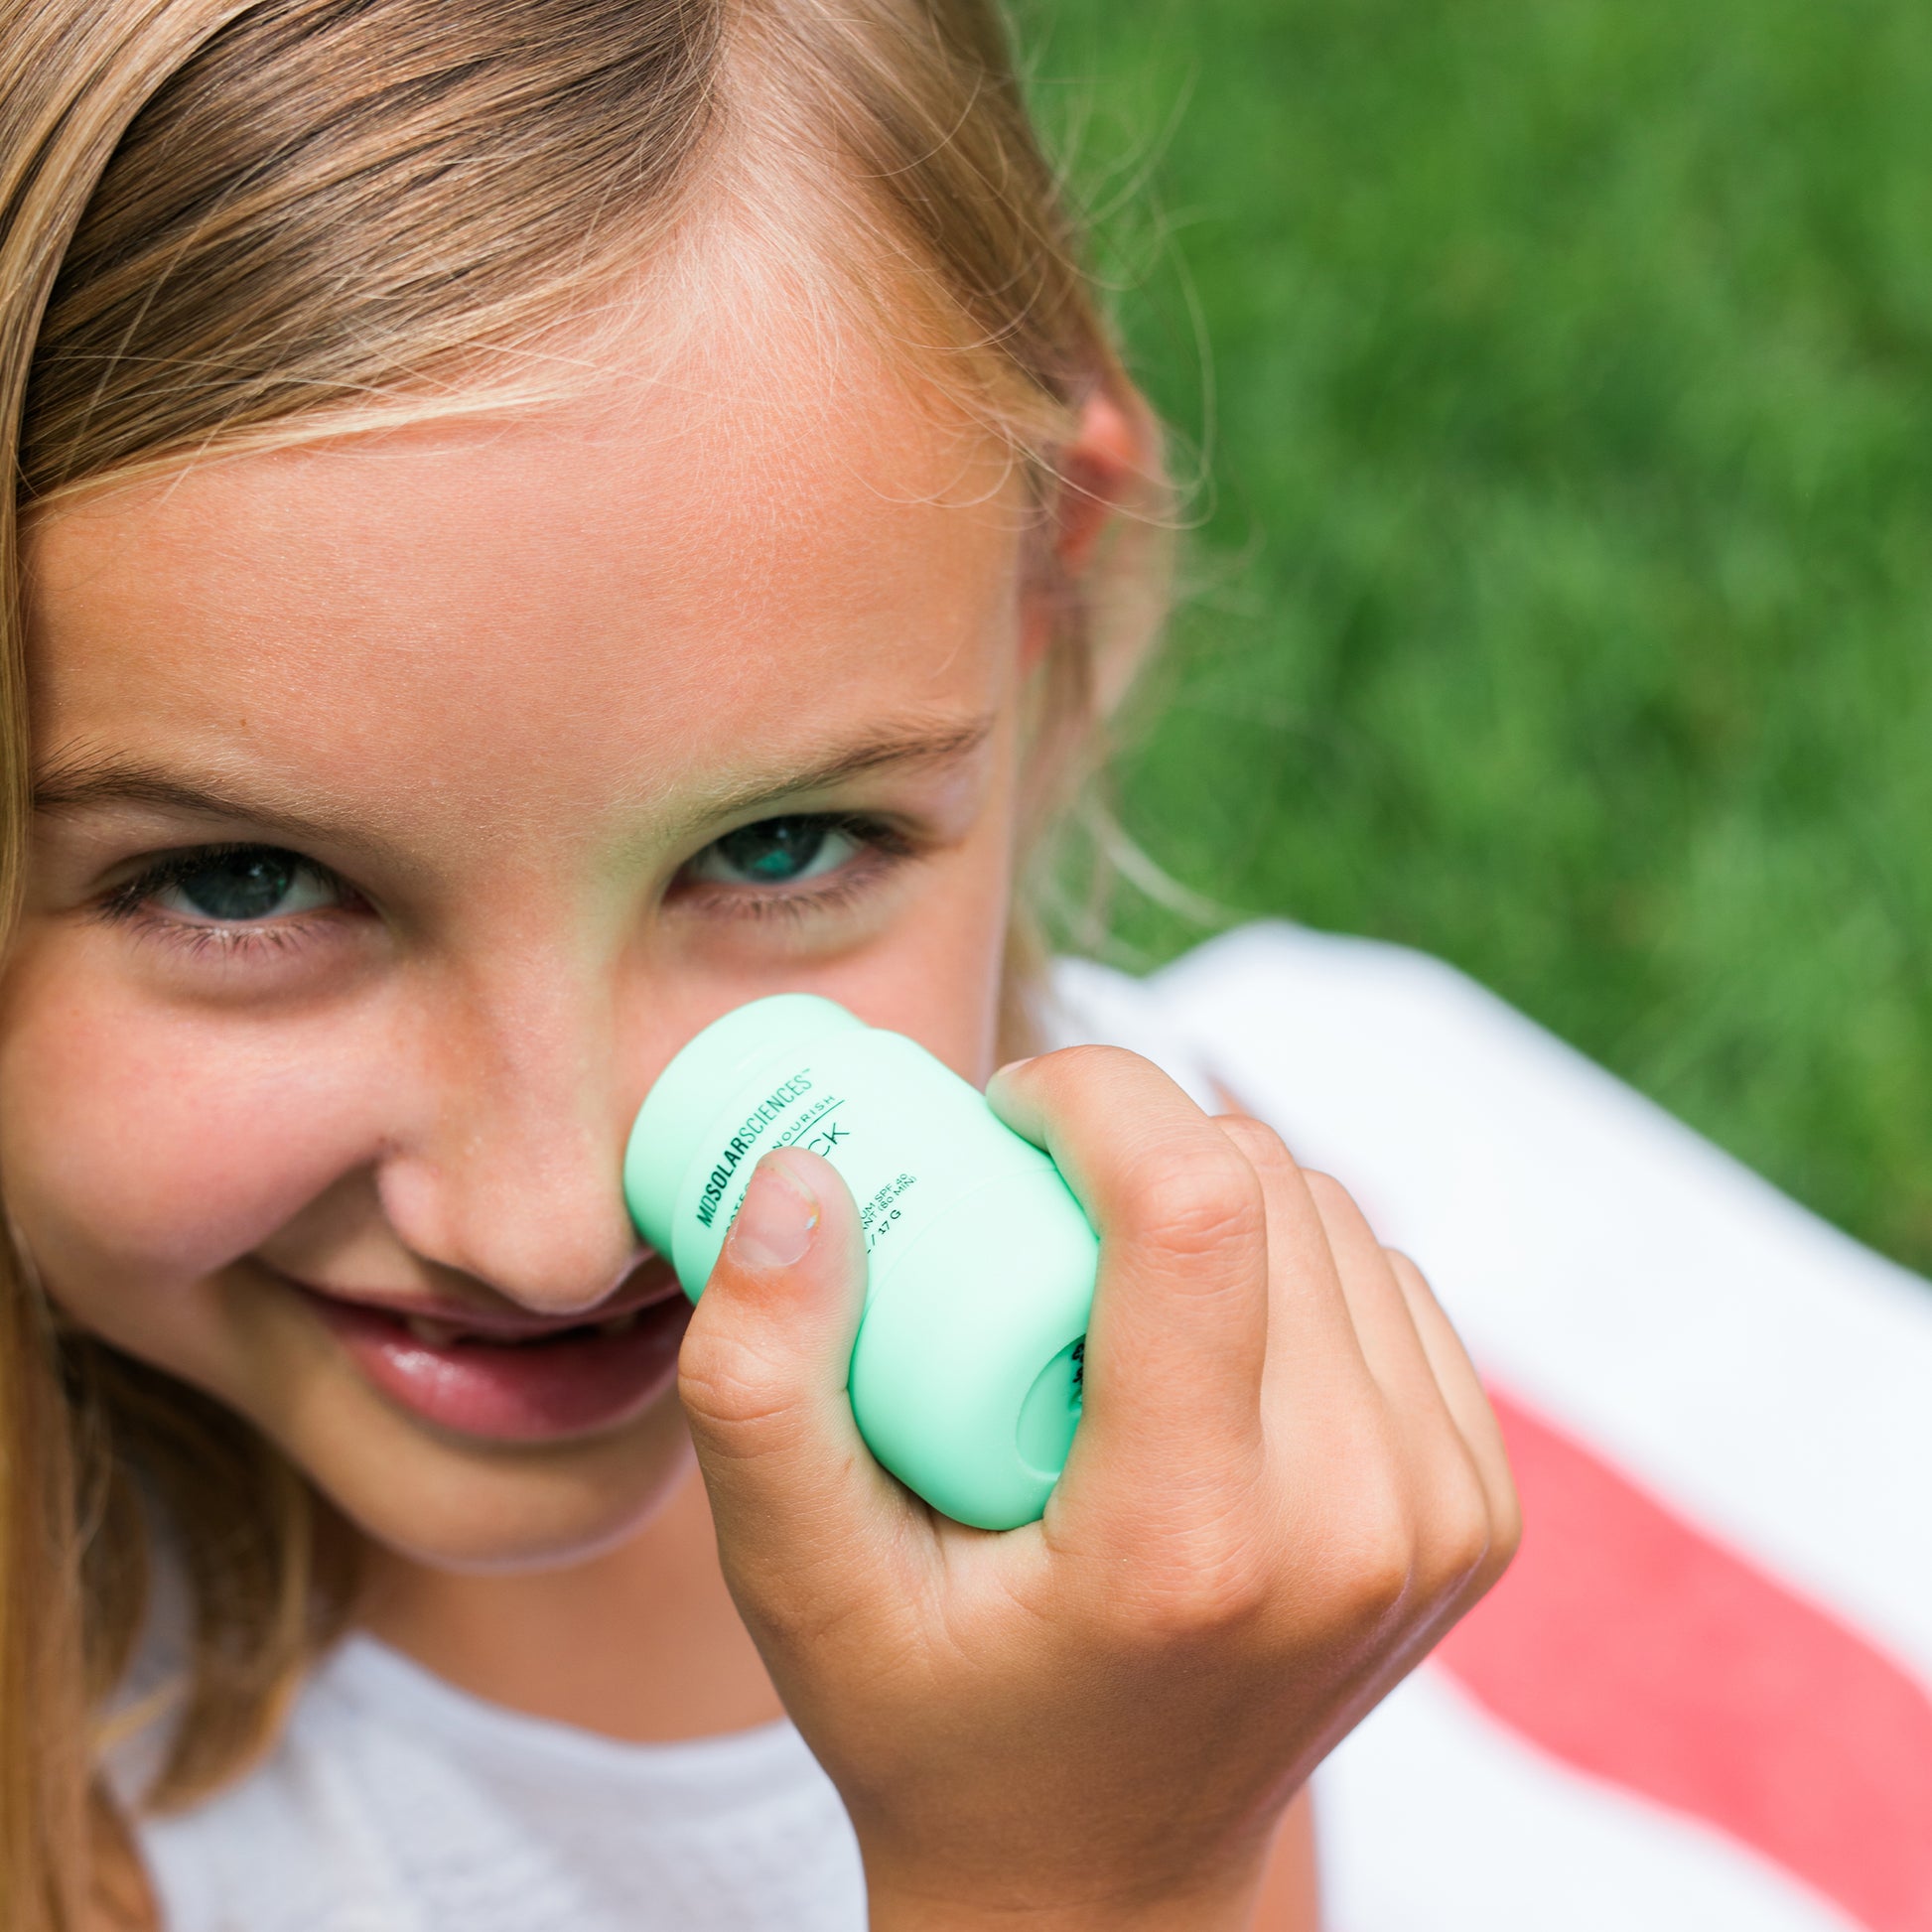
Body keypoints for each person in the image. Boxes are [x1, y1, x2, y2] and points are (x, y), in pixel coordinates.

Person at [0, 3, 1521, 1928]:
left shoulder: (1205, 1286)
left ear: (1037, 598)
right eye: (235, 881)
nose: (552, 1234)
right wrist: (1076, 1886)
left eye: (777, 846)